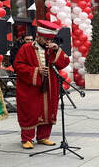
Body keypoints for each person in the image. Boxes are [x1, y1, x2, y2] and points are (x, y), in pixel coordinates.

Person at [13, 19, 70, 149]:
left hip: (50, 86)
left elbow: (64, 63)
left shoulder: (50, 49)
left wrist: (57, 50)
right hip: (30, 87)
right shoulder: (26, 48)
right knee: (30, 111)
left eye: (50, 40)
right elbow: (18, 65)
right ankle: (27, 138)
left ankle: (43, 137)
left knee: (48, 109)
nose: (48, 43)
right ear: (39, 37)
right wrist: (36, 71)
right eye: (46, 40)